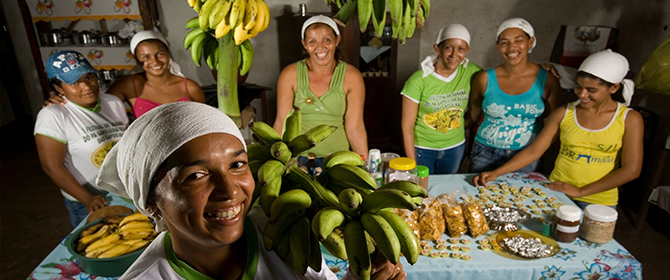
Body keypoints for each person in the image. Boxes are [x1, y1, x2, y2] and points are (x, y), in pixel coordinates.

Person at [96, 102, 405, 280]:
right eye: (196, 175)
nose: (230, 191)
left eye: (237, 165)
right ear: (151, 201)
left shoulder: (280, 236)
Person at [474, 49, 643, 209]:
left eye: (591, 90)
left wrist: (581, 192)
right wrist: (496, 172)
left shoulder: (629, 119)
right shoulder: (565, 113)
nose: (582, 95)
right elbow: (534, 151)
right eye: (578, 87)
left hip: (599, 202)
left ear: (613, 88)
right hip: (558, 192)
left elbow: (631, 170)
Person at [34, 50, 128, 227]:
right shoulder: (53, 115)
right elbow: (51, 166)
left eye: (89, 78)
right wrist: (87, 198)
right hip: (88, 201)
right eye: (74, 83)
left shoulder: (113, 103)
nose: (86, 86)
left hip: (122, 191)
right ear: (59, 88)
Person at [468, 18, 561, 173]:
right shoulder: (484, 79)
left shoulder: (547, 80)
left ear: (530, 42)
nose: (511, 48)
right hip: (485, 152)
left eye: (519, 40)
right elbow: (473, 116)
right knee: (479, 195)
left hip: (527, 155)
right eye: (504, 42)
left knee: (523, 197)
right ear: (498, 46)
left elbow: (551, 125)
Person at [274, 15, 368, 165]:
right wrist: (276, 162)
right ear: (304, 44)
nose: (320, 47)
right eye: (312, 41)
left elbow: (355, 128)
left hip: (338, 160)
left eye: (326, 40)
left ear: (337, 40)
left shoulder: (351, 76)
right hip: (298, 160)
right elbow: (281, 123)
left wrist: (366, 166)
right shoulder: (290, 74)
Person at [46, 31, 205, 118]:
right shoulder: (130, 85)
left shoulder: (190, 87)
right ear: (137, 59)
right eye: (145, 57)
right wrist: (62, 100)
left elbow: (205, 121)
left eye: (160, 54)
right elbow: (97, 104)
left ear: (168, 53)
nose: (155, 61)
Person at [401, 24, 482, 175]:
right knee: (423, 191)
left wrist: (461, 126)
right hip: (423, 149)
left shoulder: (472, 72)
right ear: (437, 49)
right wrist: (412, 166)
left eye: (460, 49)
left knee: (446, 190)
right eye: (448, 48)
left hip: (455, 148)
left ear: (467, 51)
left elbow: (495, 84)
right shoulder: (418, 81)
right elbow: (406, 127)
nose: (454, 54)